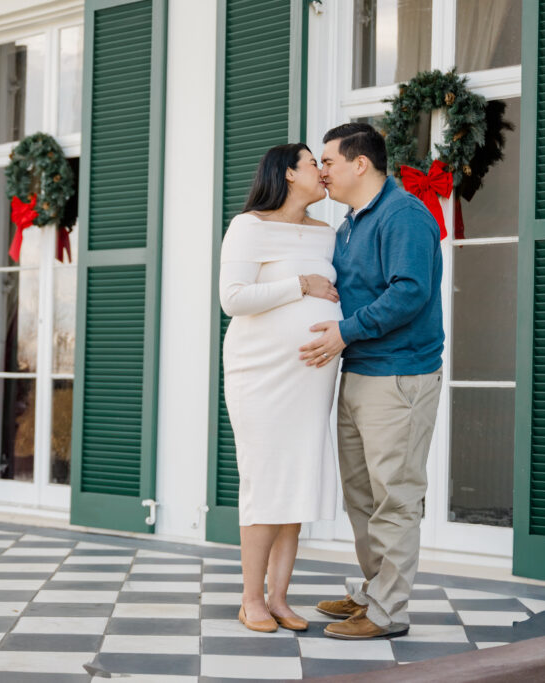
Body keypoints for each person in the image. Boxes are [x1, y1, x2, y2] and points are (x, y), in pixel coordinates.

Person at [301, 122, 444, 640]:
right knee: (362, 496)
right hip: (359, 371)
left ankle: (388, 612)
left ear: (360, 163)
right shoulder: (349, 223)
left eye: (329, 162)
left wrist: (343, 332)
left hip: (399, 376)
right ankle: (373, 589)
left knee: (395, 497)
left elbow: (410, 293)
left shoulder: (404, 215)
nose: (322, 172)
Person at [219, 143, 342, 633]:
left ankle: (281, 598)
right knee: (266, 480)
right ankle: (251, 599)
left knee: (296, 481)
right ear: (289, 173)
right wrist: (301, 284)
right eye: (316, 163)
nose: (323, 171)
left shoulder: (328, 233)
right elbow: (233, 299)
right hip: (261, 373)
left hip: (311, 377)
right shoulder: (249, 226)